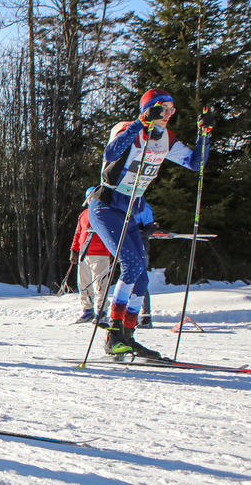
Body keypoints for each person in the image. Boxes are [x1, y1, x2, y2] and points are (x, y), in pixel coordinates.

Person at [88, 89, 212, 359]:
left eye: (171, 110)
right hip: (106, 207)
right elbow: (111, 151)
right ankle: (113, 334)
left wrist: (205, 135)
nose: (168, 115)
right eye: (163, 109)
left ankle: (128, 337)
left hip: (129, 211)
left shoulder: (165, 138)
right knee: (131, 264)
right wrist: (141, 122)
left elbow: (195, 163)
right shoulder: (127, 129)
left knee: (141, 276)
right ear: (150, 109)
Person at [70, 187, 112, 325]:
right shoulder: (84, 214)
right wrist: (74, 250)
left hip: (100, 254)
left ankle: (101, 311)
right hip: (84, 254)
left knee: (100, 284)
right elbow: (78, 233)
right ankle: (87, 310)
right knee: (84, 284)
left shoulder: (104, 212)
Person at [134, 204, 158, 328]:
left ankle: (145, 316)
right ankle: (131, 316)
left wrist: (135, 233)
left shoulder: (143, 207)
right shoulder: (122, 204)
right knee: (128, 281)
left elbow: (150, 229)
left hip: (140, 246)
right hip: (127, 245)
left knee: (139, 279)